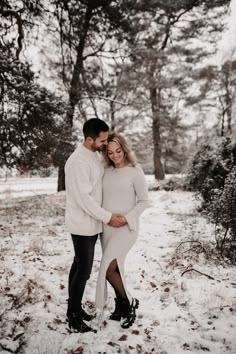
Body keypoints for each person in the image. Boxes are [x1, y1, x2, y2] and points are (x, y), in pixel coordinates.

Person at [65, 118, 126, 333]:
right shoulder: (77, 162)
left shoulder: (92, 156)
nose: (105, 143)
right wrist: (108, 217)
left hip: (92, 223)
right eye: (101, 140)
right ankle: (73, 316)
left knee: (79, 265)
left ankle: (73, 308)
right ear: (89, 139)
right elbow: (85, 199)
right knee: (83, 271)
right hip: (82, 224)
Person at [95, 132, 149, 329]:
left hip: (127, 228)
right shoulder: (105, 171)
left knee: (108, 270)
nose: (115, 155)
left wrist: (126, 218)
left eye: (118, 151)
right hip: (107, 228)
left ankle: (129, 302)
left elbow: (144, 201)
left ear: (124, 149)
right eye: (110, 152)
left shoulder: (135, 171)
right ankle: (121, 306)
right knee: (115, 268)